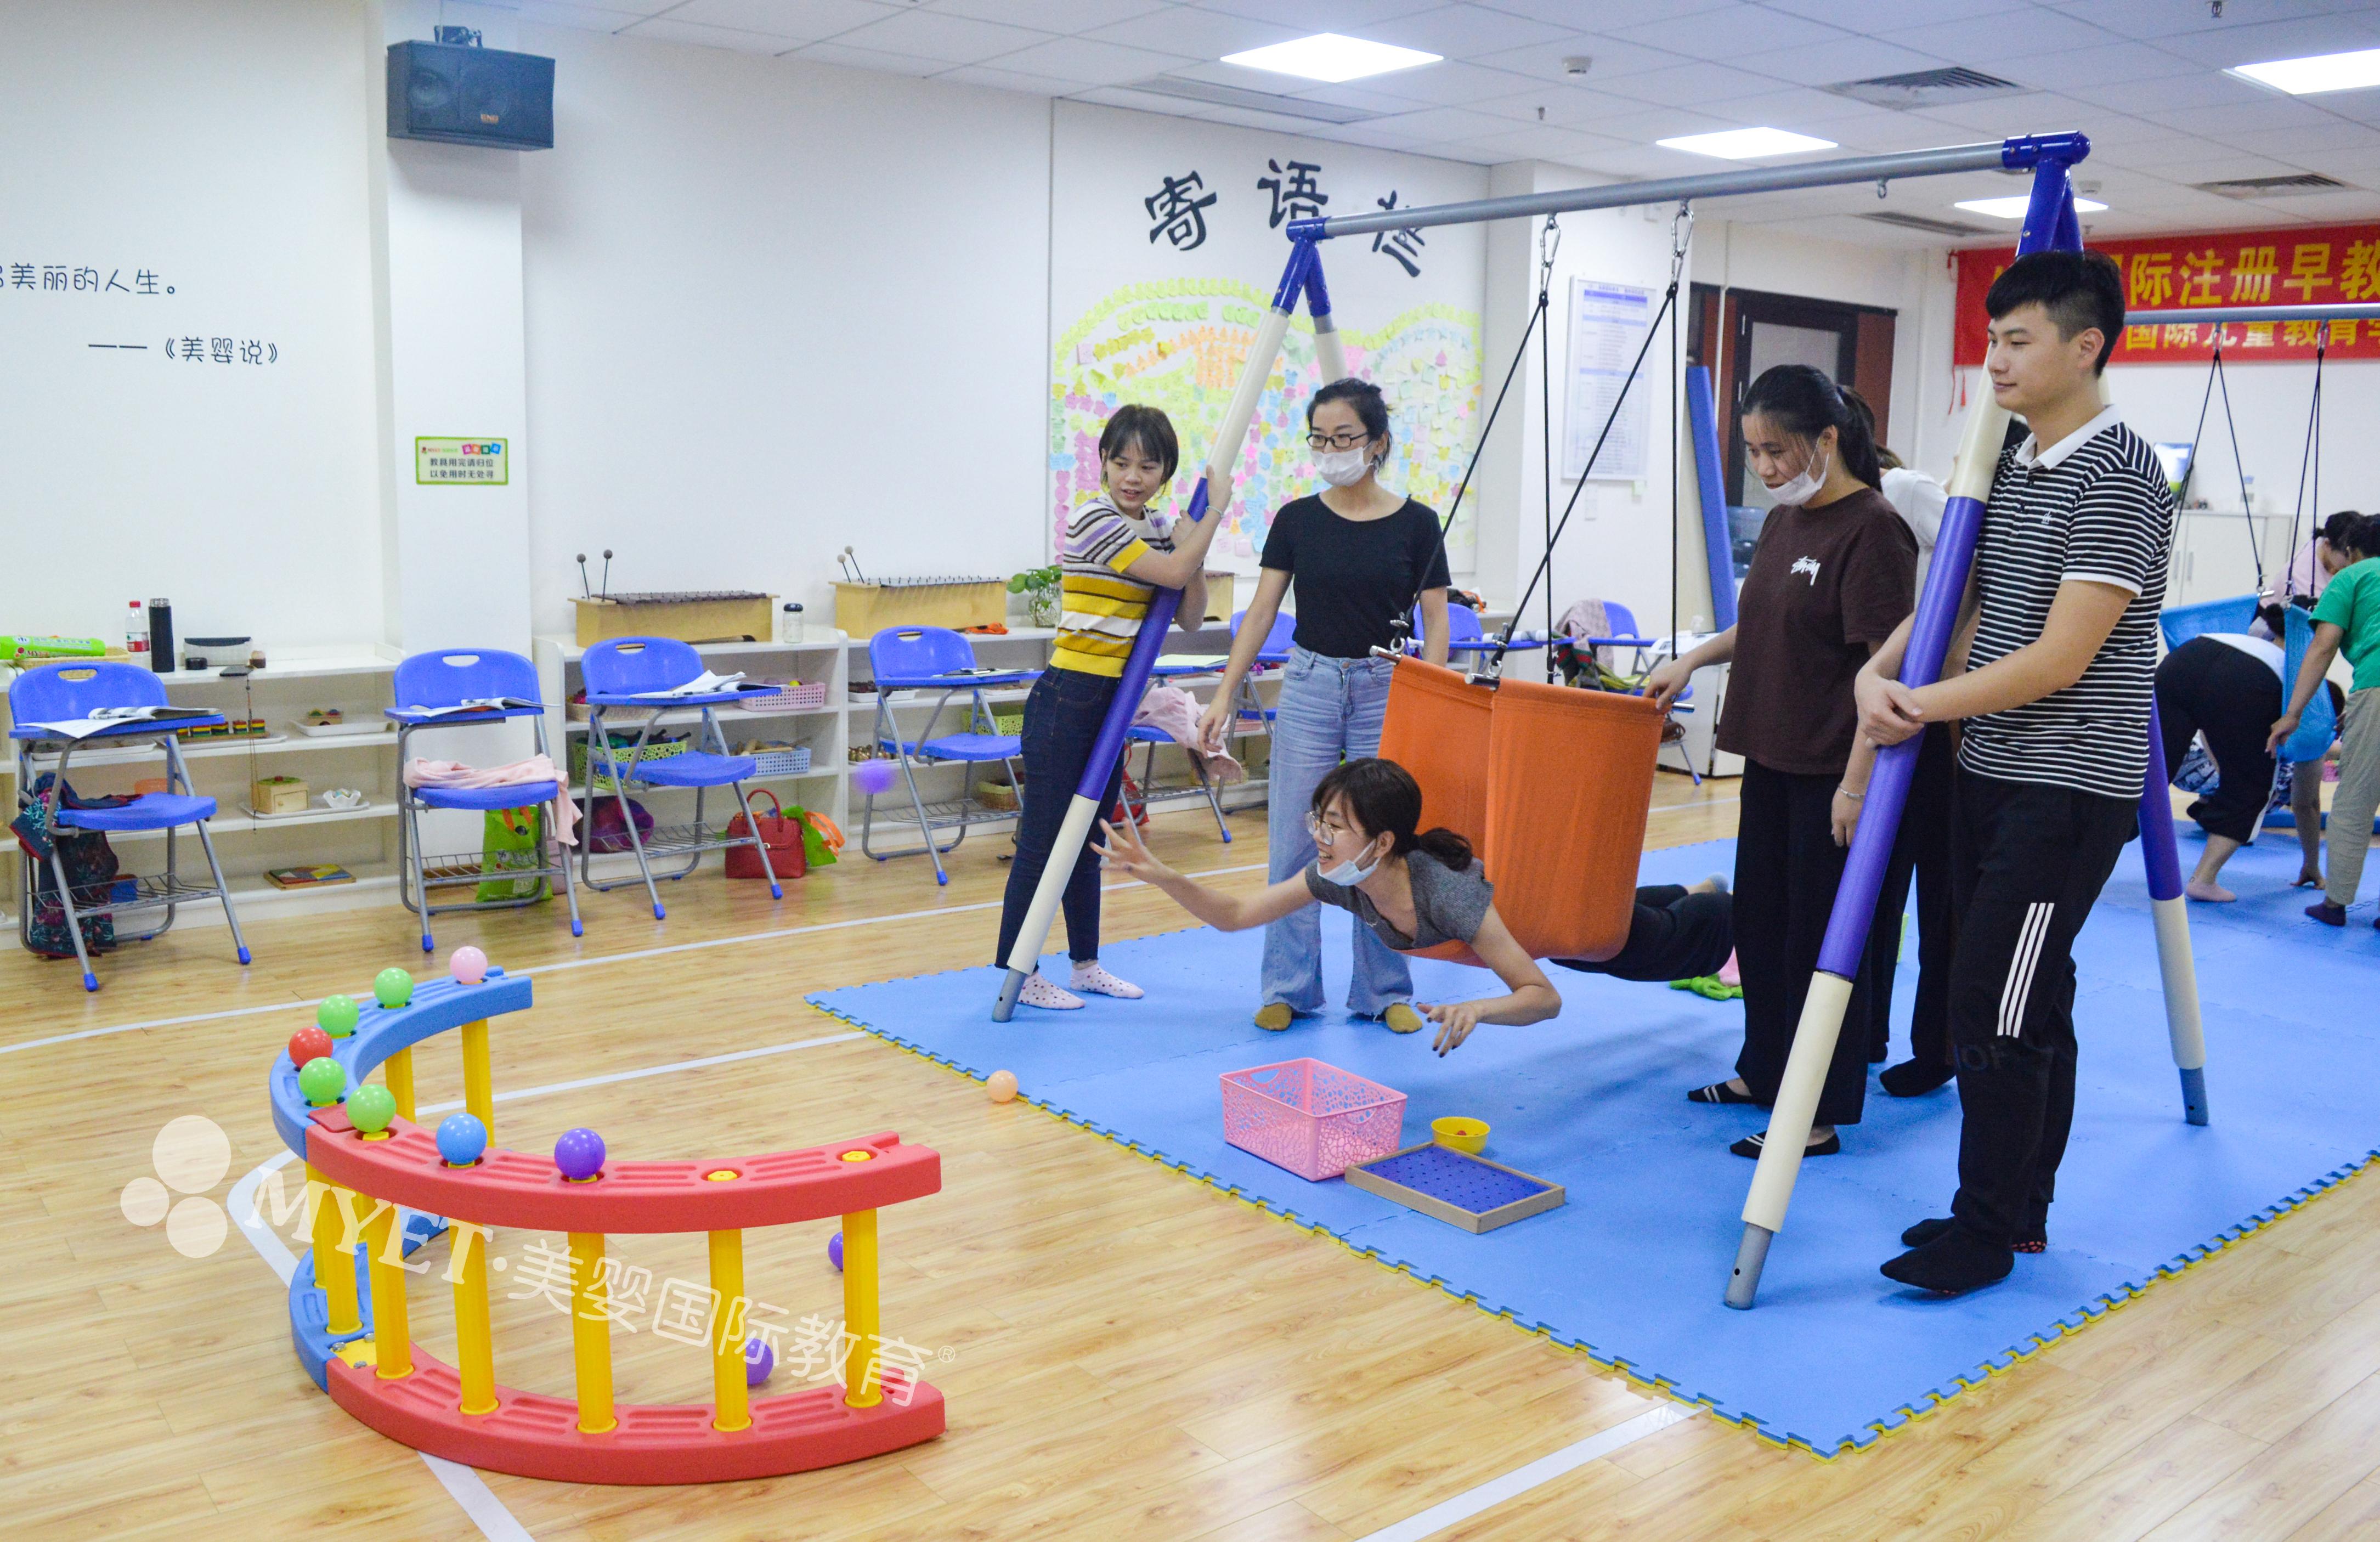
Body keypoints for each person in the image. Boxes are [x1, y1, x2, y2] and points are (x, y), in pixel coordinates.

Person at [1856, 248, 2174, 1295]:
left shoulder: (2118, 471)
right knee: (2021, 994)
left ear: (2084, 348)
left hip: (2063, 790)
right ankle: (2011, 1208)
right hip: (1986, 766)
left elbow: (2058, 659)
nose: (1992, 359)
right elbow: (1957, 591)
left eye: (2016, 340)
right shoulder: (2015, 459)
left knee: (1992, 1000)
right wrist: (1878, 669)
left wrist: (1916, 704)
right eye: (1989, 339)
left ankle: (1986, 1229)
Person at [1644, 364, 1917, 1159]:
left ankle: (1816, 1111)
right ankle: (1762, 1072)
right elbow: (1762, 622)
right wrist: (1692, 658)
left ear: (1826, 439)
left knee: (1819, 945)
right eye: (1753, 452)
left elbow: (1888, 669)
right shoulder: (1783, 521)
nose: (1764, 468)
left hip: (1833, 771)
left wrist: (1856, 785)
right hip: (1770, 754)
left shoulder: (1873, 529)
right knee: (1759, 930)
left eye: (1777, 450)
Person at [1194, 378, 1451, 1035]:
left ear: (1378, 442)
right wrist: (1225, 691)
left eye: (1344, 438)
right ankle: (1288, 986)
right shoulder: (1297, 519)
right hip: (1309, 683)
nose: (1331, 451)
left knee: (1383, 844)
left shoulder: (1418, 523)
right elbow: (1261, 611)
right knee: (1295, 838)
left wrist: (1434, 699)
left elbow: (1437, 622)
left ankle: (1384, 990)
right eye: (1320, 439)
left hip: (1385, 686)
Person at [994, 404, 1229, 1010]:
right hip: (1068, 696)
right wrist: (1211, 518)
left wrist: (1192, 545)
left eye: (1147, 466)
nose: (1132, 476)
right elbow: (1171, 571)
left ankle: (1086, 964)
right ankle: (1021, 971)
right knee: (1044, 841)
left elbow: (1190, 612)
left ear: (1164, 472)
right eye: (1121, 462)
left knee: (1090, 838)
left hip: (1113, 704)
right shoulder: (1093, 518)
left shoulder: (1156, 527)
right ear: (1102, 461)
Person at [1093, 758, 1554, 1055]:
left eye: (1334, 826)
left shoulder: (1447, 894)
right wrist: (1162, 874)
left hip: (1548, 924)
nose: (1318, 836)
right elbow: (1235, 916)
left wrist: (1478, 1008)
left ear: (1382, 842)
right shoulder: (1337, 877)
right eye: (1318, 820)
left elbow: (1543, 997)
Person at [1844, 391, 1959, 1097]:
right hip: (1889, 709)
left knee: (1941, 892)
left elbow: (1965, 574)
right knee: (1873, 884)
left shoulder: (1905, 490)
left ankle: (1938, 1046)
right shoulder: (1823, 514)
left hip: (1941, 712)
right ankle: (1865, 1029)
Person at [2157, 619, 2344, 901]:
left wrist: (2226, 773)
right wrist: (2312, 864)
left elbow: (2210, 726)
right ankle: (2203, 880)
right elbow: (2307, 803)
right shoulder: (2314, 713)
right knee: (2254, 788)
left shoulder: (2283, 667)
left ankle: (2089, 852)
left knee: (2145, 773)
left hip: (2186, 657)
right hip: (2246, 677)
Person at [2270, 512, 2380, 928]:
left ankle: (2335, 903)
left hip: (2375, 684)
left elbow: (2322, 647)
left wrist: (2292, 713)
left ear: (2352, 551)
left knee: (2355, 799)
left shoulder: (2352, 577)